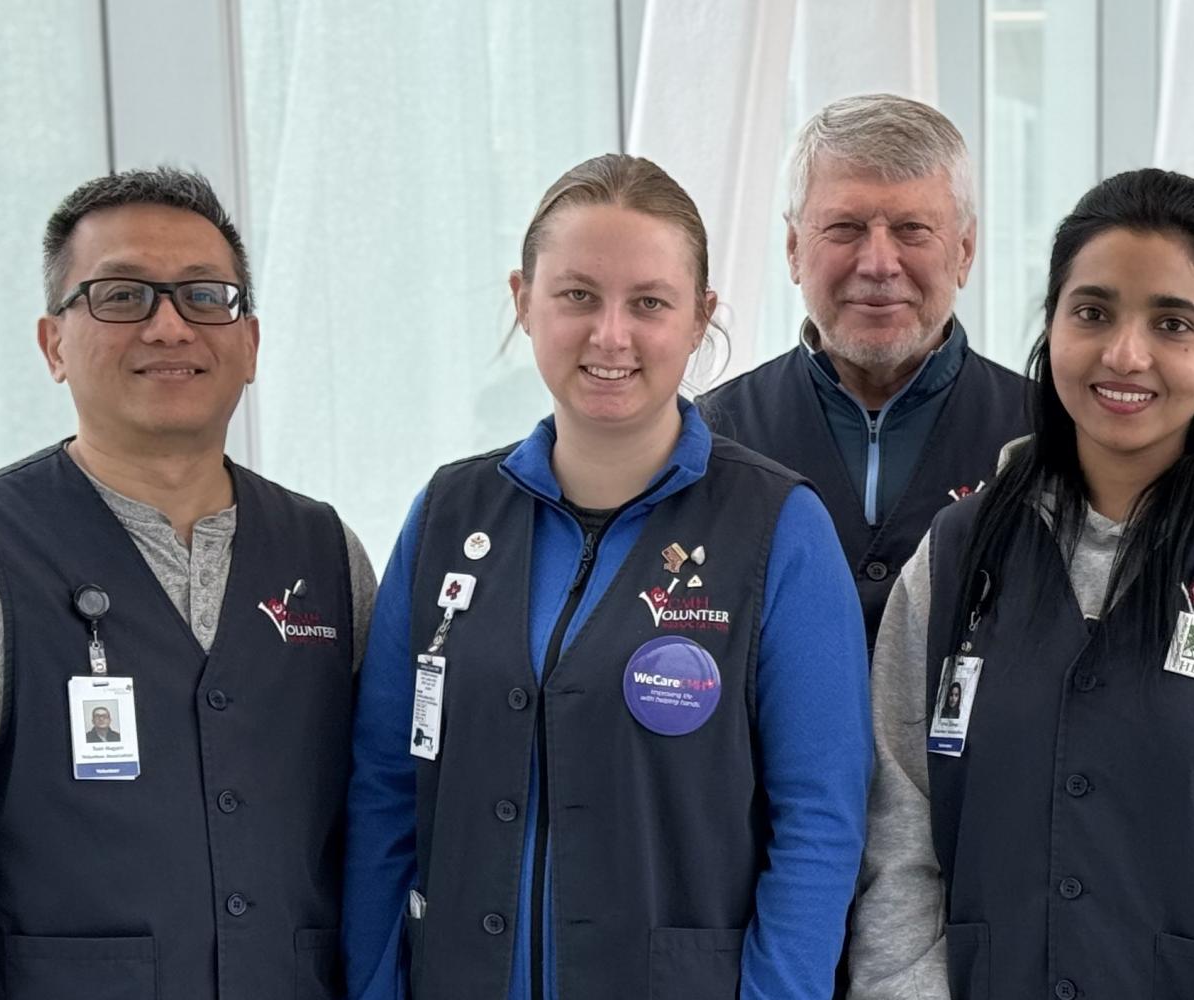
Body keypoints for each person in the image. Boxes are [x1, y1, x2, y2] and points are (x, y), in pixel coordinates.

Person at [849, 168, 1194, 999]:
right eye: (1092, 312)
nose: (1124, 354)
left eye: (1172, 323)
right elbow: (898, 836)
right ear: (1053, 326)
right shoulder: (958, 551)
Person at [342, 153, 872, 1000]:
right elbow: (384, 788)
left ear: (700, 319)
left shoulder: (778, 528)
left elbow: (820, 824)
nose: (610, 335)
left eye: (649, 303)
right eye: (577, 295)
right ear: (524, 300)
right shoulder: (450, 514)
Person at [0, 167, 378, 1000]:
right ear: (53, 344)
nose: (170, 327)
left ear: (250, 342)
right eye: (122, 296)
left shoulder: (326, 556)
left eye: (206, 297)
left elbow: (377, 827)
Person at [697, 94, 1028, 645]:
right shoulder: (712, 435)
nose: (878, 264)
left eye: (912, 229)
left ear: (965, 250)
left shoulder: (1048, 435)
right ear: (793, 248)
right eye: (845, 227)